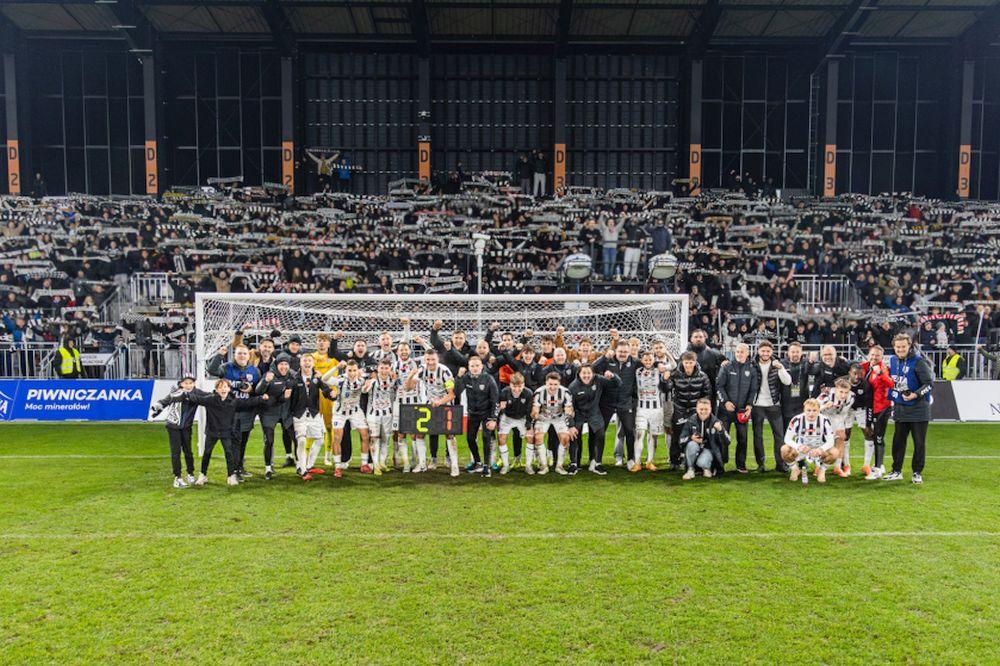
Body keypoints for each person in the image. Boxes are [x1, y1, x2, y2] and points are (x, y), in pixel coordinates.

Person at [162, 379, 269, 486]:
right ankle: (202, 475)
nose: (223, 389)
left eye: (225, 387)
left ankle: (231, 476)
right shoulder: (210, 399)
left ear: (229, 389)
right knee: (207, 454)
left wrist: (261, 398)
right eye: (221, 387)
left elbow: (248, 402)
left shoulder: (234, 401)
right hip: (212, 432)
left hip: (226, 432)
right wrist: (184, 393)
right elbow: (197, 399)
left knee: (229, 453)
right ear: (217, 389)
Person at [207, 344, 261, 480]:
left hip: (247, 411)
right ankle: (234, 470)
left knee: (243, 441)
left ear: (249, 356)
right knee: (233, 442)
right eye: (239, 353)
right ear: (234, 355)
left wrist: (251, 390)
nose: (242, 356)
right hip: (231, 411)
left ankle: (240, 466)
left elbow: (259, 390)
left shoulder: (254, 371)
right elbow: (212, 370)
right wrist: (219, 355)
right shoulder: (226, 368)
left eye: (244, 353)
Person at [885, 333, 933, 484]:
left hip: (919, 409)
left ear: (909, 346)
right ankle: (896, 471)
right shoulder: (893, 361)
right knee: (898, 442)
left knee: (919, 443)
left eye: (903, 347)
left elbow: (929, 384)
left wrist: (915, 394)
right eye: (897, 347)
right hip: (900, 408)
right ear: (894, 347)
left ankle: (917, 472)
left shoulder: (919, 362)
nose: (900, 349)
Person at [405, 348, 458, 476]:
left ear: (437, 359)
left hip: (445, 404)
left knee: (449, 434)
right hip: (430, 405)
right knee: (420, 433)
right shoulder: (422, 369)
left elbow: (452, 395)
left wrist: (440, 402)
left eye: (433, 359)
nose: (430, 362)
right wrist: (411, 375)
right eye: (428, 359)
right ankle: (422, 464)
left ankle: (454, 466)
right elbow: (408, 388)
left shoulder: (444, 371)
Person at [150, 374, 208, 488]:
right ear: (181, 383)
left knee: (188, 451)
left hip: (187, 427)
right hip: (173, 427)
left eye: (191, 383)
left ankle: (190, 473)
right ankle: (177, 477)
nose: (188, 385)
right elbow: (165, 401)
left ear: (194, 383)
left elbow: (208, 397)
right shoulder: (176, 392)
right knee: (176, 452)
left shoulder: (197, 392)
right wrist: (157, 407)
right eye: (186, 383)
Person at [288, 354, 335, 481]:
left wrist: (332, 394)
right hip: (299, 414)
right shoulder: (294, 378)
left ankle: (309, 465)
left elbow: (326, 390)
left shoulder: (316, 377)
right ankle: (302, 469)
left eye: (309, 360)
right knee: (302, 441)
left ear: (313, 363)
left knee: (320, 439)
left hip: (314, 413)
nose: (307, 363)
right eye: (304, 360)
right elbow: (288, 393)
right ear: (300, 363)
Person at [593, 341, 639, 469]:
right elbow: (592, 368)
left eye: (625, 351)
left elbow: (649, 364)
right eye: (620, 351)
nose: (623, 354)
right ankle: (597, 461)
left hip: (625, 402)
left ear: (629, 352)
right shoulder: (607, 361)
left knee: (630, 431)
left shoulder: (635, 362)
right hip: (607, 402)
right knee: (601, 431)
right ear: (615, 351)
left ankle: (630, 459)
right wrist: (604, 357)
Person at [568, 364, 619, 475]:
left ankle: (597, 463)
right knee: (574, 434)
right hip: (578, 413)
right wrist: (571, 425)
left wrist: (613, 376)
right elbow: (569, 407)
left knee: (600, 434)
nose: (586, 375)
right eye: (584, 373)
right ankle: (574, 463)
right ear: (579, 374)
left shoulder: (599, 380)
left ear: (593, 373)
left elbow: (617, 384)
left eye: (589, 373)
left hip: (594, 412)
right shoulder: (573, 387)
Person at [664, 351, 712, 471]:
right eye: (686, 362)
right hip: (680, 409)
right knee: (677, 436)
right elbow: (666, 389)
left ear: (695, 362)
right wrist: (665, 380)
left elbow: (707, 393)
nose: (688, 365)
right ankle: (674, 461)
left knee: (696, 436)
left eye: (691, 362)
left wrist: (701, 409)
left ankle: (694, 462)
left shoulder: (702, 376)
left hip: (695, 411)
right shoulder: (675, 374)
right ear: (682, 362)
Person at [716, 343, 759, 473]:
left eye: (742, 352)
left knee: (743, 438)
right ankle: (721, 463)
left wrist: (749, 405)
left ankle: (741, 464)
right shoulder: (727, 367)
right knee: (722, 437)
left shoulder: (751, 369)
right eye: (738, 352)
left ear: (747, 354)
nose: (740, 354)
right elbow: (719, 386)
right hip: (725, 410)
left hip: (742, 411)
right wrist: (726, 402)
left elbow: (753, 390)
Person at [254, 355, 298, 479]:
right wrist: (265, 381)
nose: (283, 367)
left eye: (286, 364)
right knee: (269, 441)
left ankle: (300, 465)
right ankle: (268, 468)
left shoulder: (293, 375)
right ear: (277, 365)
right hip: (269, 412)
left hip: (286, 413)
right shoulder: (270, 374)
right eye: (281, 364)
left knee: (296, 439)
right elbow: (258, 391)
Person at [751, 340, 792, 473]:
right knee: (757, 436)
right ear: (758, 351)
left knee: (779, 436)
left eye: (768, 351)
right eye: (763, 351)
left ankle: (780, 464)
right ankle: (761, 464)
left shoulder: (777, 364)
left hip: (774, 405)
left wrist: (780, 367)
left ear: (771, 352)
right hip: (757, 405)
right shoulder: (752, 364)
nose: (765, 353)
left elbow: (787, 381)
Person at [454, 355, 499, 476]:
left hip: (487, 414)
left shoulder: (488, 379)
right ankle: (477, 462)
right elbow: (456, 392)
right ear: (468, 367)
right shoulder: (466, 378)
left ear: (482, 366)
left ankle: (487, 466)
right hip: (473, 413)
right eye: (472, 366)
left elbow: (495, 400)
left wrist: (493, 419)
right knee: (470, 438)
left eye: (477, 365)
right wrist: (458, 377)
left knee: (486, 438)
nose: (474, 368)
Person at [327, 360, 372, 477]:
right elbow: (324, 378)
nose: (352, 373)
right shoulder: (340, 380)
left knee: (365, 435)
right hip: (340, 412)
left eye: (354, 370)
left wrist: (367, 387)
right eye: (349, 370)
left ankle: (364, 464)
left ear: (358, 371)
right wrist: (336, 367)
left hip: (355, 411)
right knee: (337, 437)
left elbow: (364, 389)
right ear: (346, 370)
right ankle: (337, 467)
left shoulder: (361, 381)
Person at [780, 398, 836, 485]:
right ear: (804, 410)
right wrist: (799, 447)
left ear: (819, 410)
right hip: (801, 449)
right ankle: (795, 469)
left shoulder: (824, 420)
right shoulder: (796, 420)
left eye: (814, 410)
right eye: (808, 410)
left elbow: (831, 441)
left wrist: (820, 449)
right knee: (784, 449)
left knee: (835, 452)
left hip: (818, 450)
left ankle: (822, 470)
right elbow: (787, 438)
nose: (811, 413)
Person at [529, 372, 574, 475]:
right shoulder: (539, 392)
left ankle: (559, 466)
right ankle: (543, 466)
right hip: (543, 417)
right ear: (546, 383)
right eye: (550, 384)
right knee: (538, 437)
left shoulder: (565, 392)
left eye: (555, 384)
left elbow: (568, 409)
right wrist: (534, 414)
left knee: (565, 438)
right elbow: (535, 408)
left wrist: (569, 418)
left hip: (559, 417)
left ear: (559, 384)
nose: (553, 387)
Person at [633, 351, 671, 471]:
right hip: (642, 408)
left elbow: (674, 365)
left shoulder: (659, 370)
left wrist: (667, 353)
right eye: (646, 360)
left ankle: (650, 461)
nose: (648, 362)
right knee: (640, 434)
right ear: (642, 360)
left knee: (652, 436)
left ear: (654, 360)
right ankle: (637, 463)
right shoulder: (637, 371)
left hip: (657, 409)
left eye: (650, 359)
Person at [861, 346, 894, 480]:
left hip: (882, 408)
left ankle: (878, 468)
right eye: (872, 355)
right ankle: (880, 465)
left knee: (878, 438)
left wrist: (881, 373)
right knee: (872, 434)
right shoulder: (865, 366)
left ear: (882, 357)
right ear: (868, 355)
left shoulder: (883, 369)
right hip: (870, 407)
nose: (874, 358)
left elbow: (891, 384)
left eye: (877, 356)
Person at [364, 358, 400, 476]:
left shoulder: (393, 380)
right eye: (382, 368)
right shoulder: (373, 381)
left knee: (386, 439)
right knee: (374, 439)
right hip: (373, 415)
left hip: (387, 415)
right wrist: (366, 385)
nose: (384, 371)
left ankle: (382, 463)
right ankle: (375, 465)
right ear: (378, 369)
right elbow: (364, 390)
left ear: (390, 369)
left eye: (386, 368)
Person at [679, 398, 728, 480]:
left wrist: (720, 430)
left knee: (702, 462)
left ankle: (706, 468)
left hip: (708, 451)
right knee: (691, 445)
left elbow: (727, 441)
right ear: (697, 409)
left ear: (710, 409)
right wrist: (691, 438)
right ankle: (690, 470)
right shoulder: (690, 421)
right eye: (701, 409)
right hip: (694, 449)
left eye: (706, 409)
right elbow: (681, 440)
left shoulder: (716, 422)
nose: (703, 411)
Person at [496, 373, 534, 474]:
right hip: (507, 417)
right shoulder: (504, 392)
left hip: (522, 417)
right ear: (510, 384)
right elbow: (499, 410)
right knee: (501, 438)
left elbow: (529, 410)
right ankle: (506, 465)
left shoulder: (529, 393)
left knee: (530, 437)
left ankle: (529, 466)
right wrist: (498, 420)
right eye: (514, 386)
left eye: (519, 386)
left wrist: (529, 423)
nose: (517, 389)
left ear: (524, 384)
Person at [818, 377, 855, 477]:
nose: (843, 395)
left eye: (846, 392)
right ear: (836, 388)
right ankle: (818, 466)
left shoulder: (851, 397)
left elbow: (843, 413)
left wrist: (840, 425)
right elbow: (814, 409)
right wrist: (824, 406)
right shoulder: (826, 395)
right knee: (821, 444)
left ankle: (837, 467)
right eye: (841, 392)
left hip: (838, 419)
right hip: (823, 421)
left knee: (841, 438)